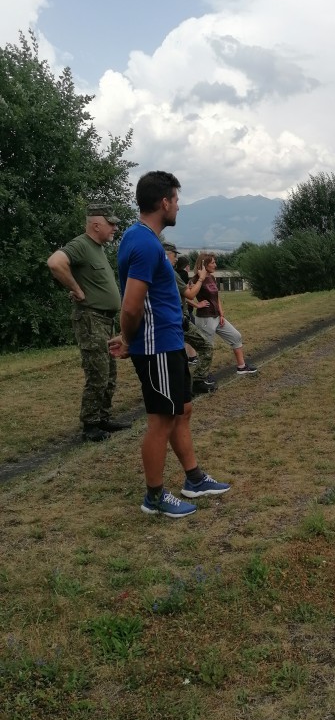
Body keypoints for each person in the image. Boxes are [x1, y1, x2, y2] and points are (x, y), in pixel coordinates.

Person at [109, 171, 231, 518]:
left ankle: (194, 479)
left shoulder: (145, 239)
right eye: (176, 200)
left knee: (182, 411)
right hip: (156, 346)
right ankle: (154, 497)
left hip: (170, 340)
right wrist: (129, 339)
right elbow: (131, 305)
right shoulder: (144, 243)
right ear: (164, 202)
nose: (178, 206)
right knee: (161, 420)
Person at [47, 202, 131, 442]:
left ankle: (103, 418)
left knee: (109, 373)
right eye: (111, 223)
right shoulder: (81, 245)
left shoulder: (97, 248)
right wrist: (76, 289)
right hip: (91, 320)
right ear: (96, 224)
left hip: (105, 321)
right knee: (98, 373)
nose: (115, 228)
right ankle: (91, 425)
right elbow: (55, 263)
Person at [191, 253, 258, 375]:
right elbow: (185, 295)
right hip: (205, 319)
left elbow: (216, 296)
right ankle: (203, 376)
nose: (215, 265)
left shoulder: (212, 277)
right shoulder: (196, 279)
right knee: (207, 348)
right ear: (204, 265)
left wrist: (221, 313)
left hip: (217, 317)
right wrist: (197, 305)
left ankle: (241, 367)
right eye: (213, 263)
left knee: (236, 336)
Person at [163, 242, 217, 394]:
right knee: (206, 346)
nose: (176, 259)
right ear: (166, 254)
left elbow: (183, 295)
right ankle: (198, 381)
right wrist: (201, 279)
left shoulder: (158, 271)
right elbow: (190, 294)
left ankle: (176, 386)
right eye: (174, 255)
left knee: (176, 355)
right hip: (178, 319)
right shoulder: (171, 273)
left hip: (170, 320)